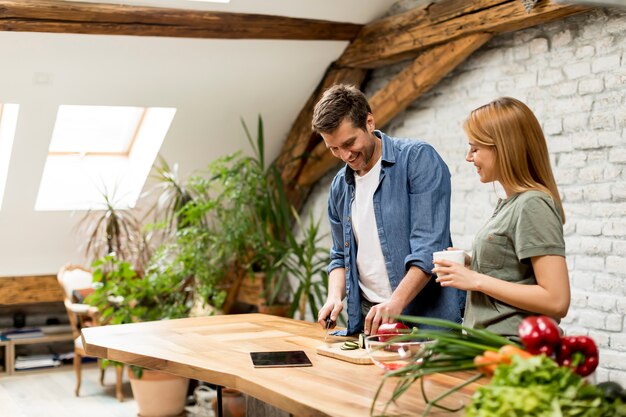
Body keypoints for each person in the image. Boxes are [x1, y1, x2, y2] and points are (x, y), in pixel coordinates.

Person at [312, 84, 465, 336]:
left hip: (426, 319)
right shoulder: (340, 185)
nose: (345, 155)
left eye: (349, 143)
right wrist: (333, 297)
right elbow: (340, 255)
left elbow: (428, 250)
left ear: (369, 122)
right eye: (334, 148)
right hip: (369, 319)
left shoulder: (417, 160)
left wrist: (395, 304)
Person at [432, 97, 570, 337]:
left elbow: (557, 300)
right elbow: (515, 272)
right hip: (490, 347)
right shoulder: (513, 203)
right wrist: (471, 261)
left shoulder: (533, 204)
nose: (468, 157)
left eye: (475, 148)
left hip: (513, 350)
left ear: (503, 148)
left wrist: (474, 279)